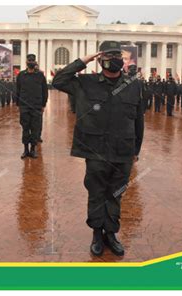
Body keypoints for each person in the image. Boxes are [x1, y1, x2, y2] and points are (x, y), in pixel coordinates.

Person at [52, 40, 144, 257]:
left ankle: (111, 234)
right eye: (110, 57)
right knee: (96, 193)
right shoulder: (85, 83)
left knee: (116, 194)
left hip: (123, 151)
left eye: (118, 57)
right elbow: (58, 80)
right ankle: (96, 234)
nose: (116, 61)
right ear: (101, 60)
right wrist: (84, 60)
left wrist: (136, 151)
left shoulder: (133, 85)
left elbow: (138, 120)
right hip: (95, 150)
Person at [16, 54, 48, 159]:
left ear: (35, 62)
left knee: (35, 129)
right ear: (26, 62)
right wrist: (18, 105)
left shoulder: (40, 75)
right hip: (24, 106)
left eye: (32, 60)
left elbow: (45, 91)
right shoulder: (21, 75)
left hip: (36, 106)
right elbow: (17, 90)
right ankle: (25, 150)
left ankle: (33, 150)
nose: (31, 62)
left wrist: (43, 104)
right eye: (29, 60)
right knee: (25, 129)